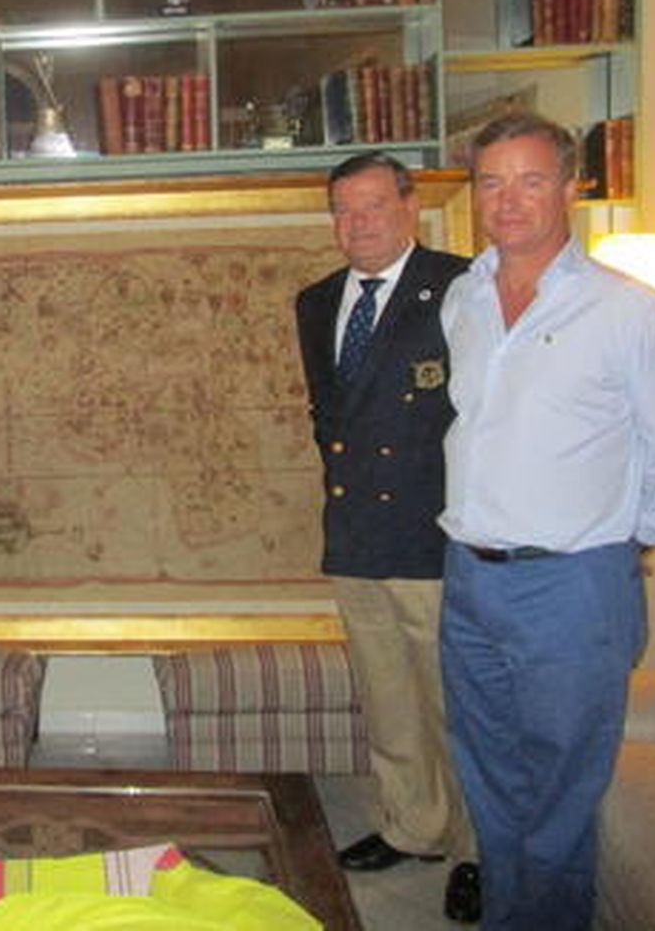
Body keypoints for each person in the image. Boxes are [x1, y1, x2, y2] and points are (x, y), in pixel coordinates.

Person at [438, 113, 655, 931]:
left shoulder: (628, 310)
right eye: (492, 182)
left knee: (560, 790)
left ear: (570, 187)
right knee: (489, 775)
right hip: (469, 577)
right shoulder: (465, 297)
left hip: (572, 584)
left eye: (530, 180)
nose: (509, 200)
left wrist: (628, 545)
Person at [294, 151, 480, 924]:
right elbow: (327, 416)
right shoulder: (317, 301)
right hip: (356, 533)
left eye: (373, 206)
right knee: (388, 695)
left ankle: (478, 849)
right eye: (343, 210)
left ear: (409, 206)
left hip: (431, 533)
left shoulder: (463, 285)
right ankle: (414, 825)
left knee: (453, 705)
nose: (357, 223)